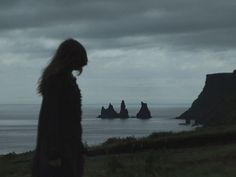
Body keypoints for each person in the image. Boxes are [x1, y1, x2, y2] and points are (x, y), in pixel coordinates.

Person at [32, 38, 88, 177]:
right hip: (61, 151)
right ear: (71, 58)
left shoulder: (64, 80)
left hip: (67, 148)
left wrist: (77, 146)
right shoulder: (57, 82)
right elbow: (51, 117)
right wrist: (53, 153)